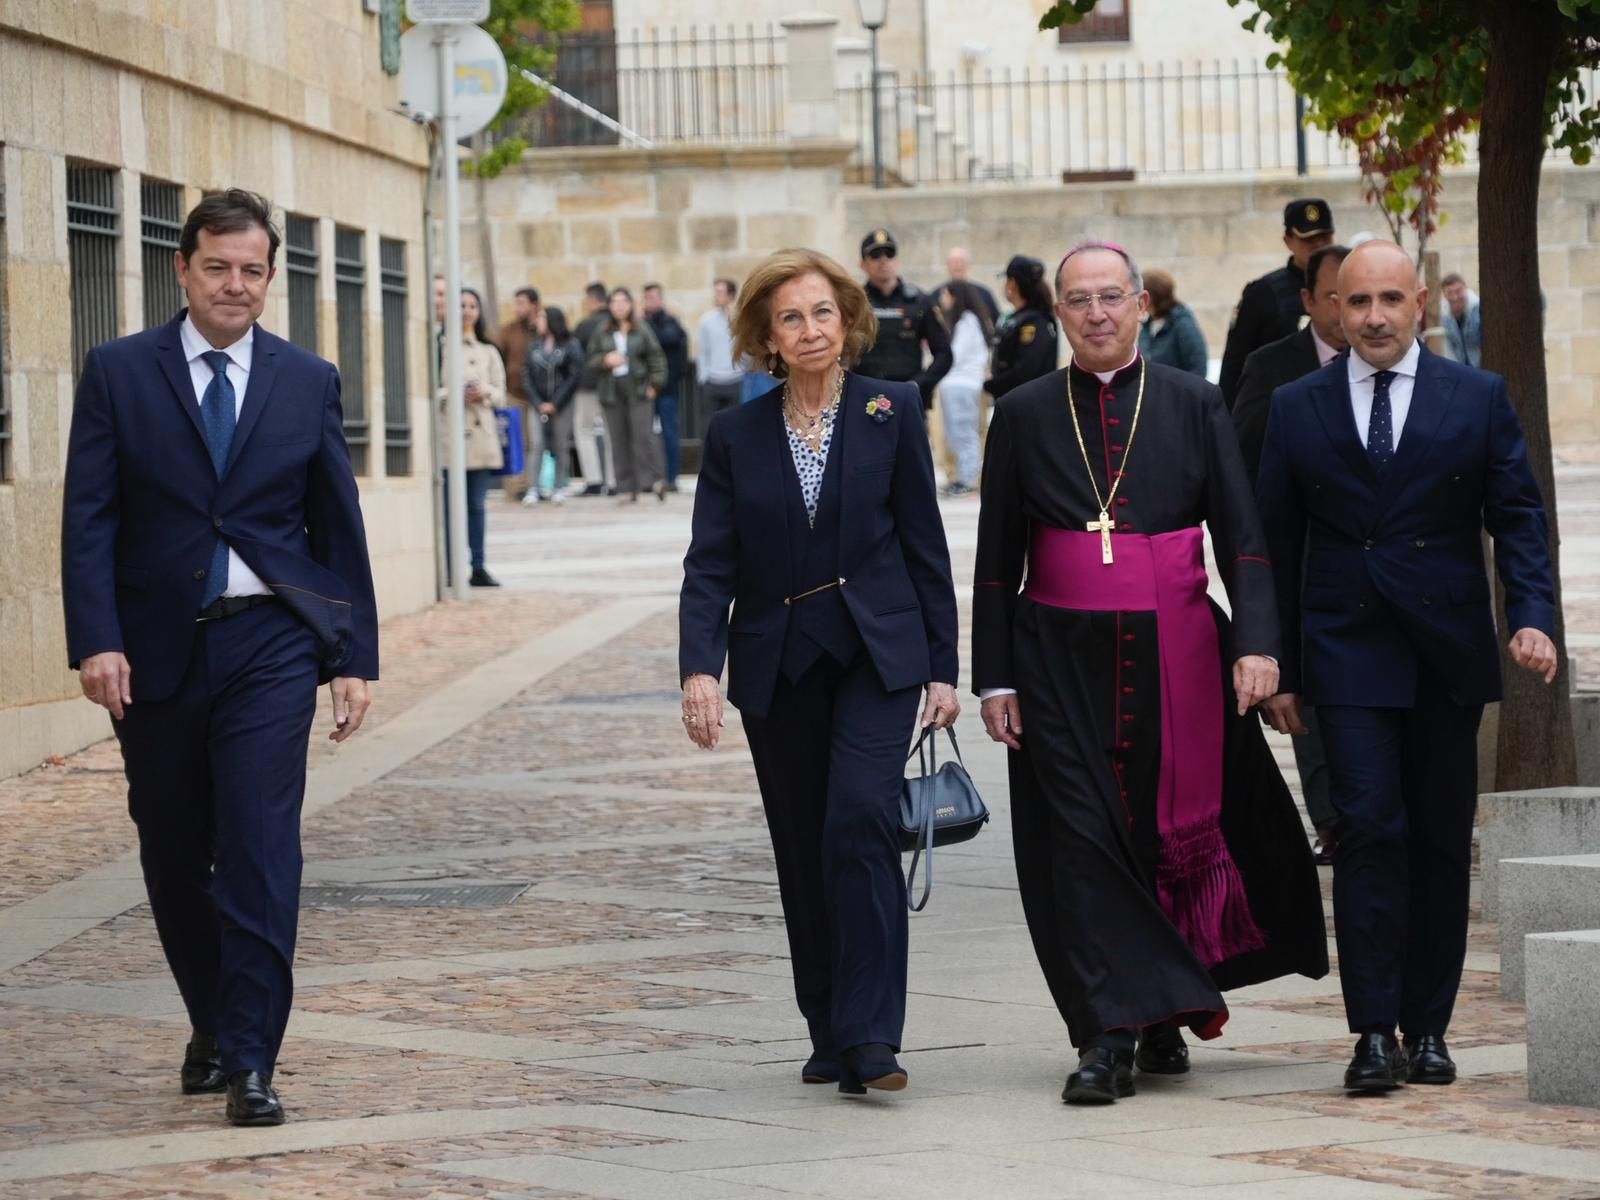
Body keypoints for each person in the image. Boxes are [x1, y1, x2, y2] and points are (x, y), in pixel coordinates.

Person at [971, 239, 1327, 1106]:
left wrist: (1258, 645)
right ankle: (1104, 1036)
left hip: (1180, 650)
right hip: (1056, 659)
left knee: (1161, 838)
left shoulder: (1193, 401)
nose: (1096, 313)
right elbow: (996, 559)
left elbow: (1241, 535)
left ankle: (1158, 1012)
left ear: (1139, 305)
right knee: (1081, 842)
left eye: (1111, 297)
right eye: (1079, 299)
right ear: (1059, 312)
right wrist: (996, 677)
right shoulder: (1022, 412)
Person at [60, 189, 378, 1127]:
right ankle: (211, 1017)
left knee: (259, 847)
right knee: (173, 851)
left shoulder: (306, 379)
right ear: (183, 268)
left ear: (270, 278)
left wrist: (353, 656)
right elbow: (89, 518)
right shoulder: (119, 372)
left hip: (270, 642)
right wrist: (96, 638)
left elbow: (338, 526)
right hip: (154, 650)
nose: (235, 285)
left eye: (252, 270)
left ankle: (250, 1059)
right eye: (218, 267)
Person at [1257, 240, 1559, 1093]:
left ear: (1420, 303)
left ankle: (1428, 1028)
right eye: (1358, 302)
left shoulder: (1478, 397)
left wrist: (1532, 617)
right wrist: (1279, 664)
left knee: (1435, 838)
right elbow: (1272, 544)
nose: (1375, 317)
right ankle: (1372, 1032)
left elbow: (1519, 517)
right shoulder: (1297, 405)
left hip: (1443, 653)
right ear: (1333, 308)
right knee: (1367, 831)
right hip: (1345, 651)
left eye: (1391, 299)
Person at [679, 248, 960, 1097]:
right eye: (791, 318)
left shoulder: (889, 408)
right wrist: (701, 669)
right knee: (804, 845)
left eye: (823, 313)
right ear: (768, 337)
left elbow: (924, 543)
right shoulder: (735, 436)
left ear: (847, 321)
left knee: (859, 821)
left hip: (877, 656)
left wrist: (943, 668)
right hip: (778, 662)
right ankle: (829, 1027)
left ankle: (872, 1036)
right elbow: (710, 564)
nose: (810, 330)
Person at [1231, 243, 1350, 866]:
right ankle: (1332, 819)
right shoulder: (1273, 367)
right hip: (1299, 562)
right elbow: (1244, 460)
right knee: (1306, 694)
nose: (1348, 310)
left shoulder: (1395, 364)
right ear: (1309, 301)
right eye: (1334, 297)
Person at [1218, 198, 1336, 408]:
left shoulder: (1349, 285)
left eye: (1324, 237)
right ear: (1288, 241)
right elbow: (1234, 365)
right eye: (1309, 239)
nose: (1318, 245)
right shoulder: (1262, 293)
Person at [440, 287, 505, 586]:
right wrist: (454, 393)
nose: (467, 311)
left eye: (472, 306)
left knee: (477, 506)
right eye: (462, 305)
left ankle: (478, 564)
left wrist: (484, 392)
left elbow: (501, 393)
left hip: (481, 436)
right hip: (450, 435)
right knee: (450, 507)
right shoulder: (440, 346)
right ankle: (451, 565)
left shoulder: (488, 351)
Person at [587, 287, 668, 504]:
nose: (619, 306)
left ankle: (654, 480)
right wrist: (605, 360)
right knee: (618, 439)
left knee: (643, 436)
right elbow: (590, 359)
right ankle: (626, 487)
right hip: (611, 391)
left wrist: (655, 384)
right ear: (609, 306)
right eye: (615, 302)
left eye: (623, 301)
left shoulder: (641, 329)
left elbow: (656, 357)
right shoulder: (602, 331)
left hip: (638, 388)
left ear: (631, 305)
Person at [855, 228, 952, 409]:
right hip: (865, 399)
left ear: (897, 261)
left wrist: (919, 384)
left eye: (889, 253)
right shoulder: (855, 303)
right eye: (875, 255)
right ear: (863, 264)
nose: (883, 260)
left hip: (909, 399)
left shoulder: (919, 302)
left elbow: (944, 354)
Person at [937, 280, 994, 496]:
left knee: (964, 432)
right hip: (957, 383)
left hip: (962, 383)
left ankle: (969, 478)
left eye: (945, 295)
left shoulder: (967, 322)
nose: (942, 300)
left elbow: (955, 354)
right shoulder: (964, 322)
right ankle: (963, 476)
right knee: (955, 433)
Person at [522, 304, 581, 504]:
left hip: (562, 404)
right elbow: (527, 375)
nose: (538, 322)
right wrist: (538, 402)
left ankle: (559, 486)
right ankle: (533, 487)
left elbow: (573, 376)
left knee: (560, 444)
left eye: (542, 318)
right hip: (538, 404)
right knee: (537, 444)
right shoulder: (534, 346)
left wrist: (556, 402)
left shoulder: (570, 345)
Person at [987, 255, 1058, 399]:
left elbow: (1026, 371)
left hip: (1027, 402)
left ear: (1012, 283)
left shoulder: (1033, 322)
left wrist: (990, 385)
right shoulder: (1019, 318)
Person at [643, 283, 689, 493]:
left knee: (670, 433)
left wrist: (645, 326)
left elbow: (670, 339)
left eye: (653, 298)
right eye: (647, 298)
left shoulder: (669, 322)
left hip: (668, 389)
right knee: (646, 435)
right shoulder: (643, 323)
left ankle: (671, 477)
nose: (649, 302)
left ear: (661, 299)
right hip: (646, 389)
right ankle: (651, 476)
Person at [571, 282, 617, 496]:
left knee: (584, 431)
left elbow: (577, 356)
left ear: (592, 300)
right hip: (612, 385)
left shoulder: (585, 325)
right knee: (611, 433)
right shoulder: (615, 323)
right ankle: (613, 480)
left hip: (588, 385)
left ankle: (594, 480)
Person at [496, 286, 541, 502]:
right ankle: (516, 487)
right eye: (517, 303)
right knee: (516, 440)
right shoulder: (508, 331)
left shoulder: (541, 329)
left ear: (534, 305)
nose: (518, 308)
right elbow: (499, 356)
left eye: (522, 303)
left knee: (535, 442)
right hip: (514, 392)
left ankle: (534, 485)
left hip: (538, 395)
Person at [1138, 269, 1209, 377]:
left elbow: (1199, 368)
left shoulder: (1183, 324)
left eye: (1144, 296)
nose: (1139, 301)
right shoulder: (1147, 326)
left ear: (1155, 296)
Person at [697, 278, 745, 416]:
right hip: (712, 382)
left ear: (731, 295)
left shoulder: (741, 320)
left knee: (735, 422)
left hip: (736, 381)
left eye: (720, 292)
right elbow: (703, 351)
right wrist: (703, 378)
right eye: (715, 292)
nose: (716, 296)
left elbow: (747, 348)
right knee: (711, 424)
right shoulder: (706, 321)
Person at [942, 246, 1000, 323]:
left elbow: (996, 321)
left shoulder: (984, 294)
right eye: (953, 262)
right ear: (947, 266)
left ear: (968, 265)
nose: (958, 265)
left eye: (961, 261)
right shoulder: (938, 295)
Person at [1440, 273, 1482, 368]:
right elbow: (1449, 348)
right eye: (1450, 293)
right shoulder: (1444, 315)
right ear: (1444, 294)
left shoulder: (1477, 310)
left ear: (1465, 289)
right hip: (1460, 368)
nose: (1455, 297)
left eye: (1458, 291)